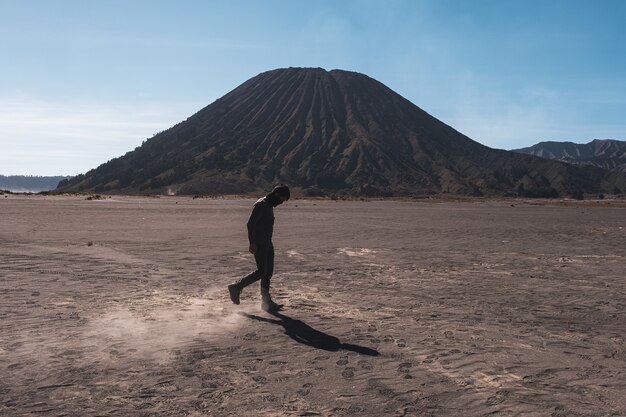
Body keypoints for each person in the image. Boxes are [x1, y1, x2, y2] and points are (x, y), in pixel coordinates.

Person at [228, 185, 290, 312]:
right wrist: (252, 242)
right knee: (262, 272)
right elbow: (250, 224)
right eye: (282, 199)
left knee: (268, 273)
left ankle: (266, 302)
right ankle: (236, 287)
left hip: (268, 243)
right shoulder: (261, 204)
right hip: (260, 244)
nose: (281, 203)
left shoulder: (269, 205)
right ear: (277, 195)